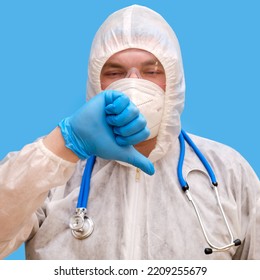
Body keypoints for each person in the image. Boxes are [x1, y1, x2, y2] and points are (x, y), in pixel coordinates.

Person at [0, 5, 259, 260]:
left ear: (175, 81)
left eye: (152, 71)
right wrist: (65, 143)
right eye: (115, 72)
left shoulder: (228, 172)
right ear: (94, 84)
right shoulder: (53, 171)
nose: (134, 83)